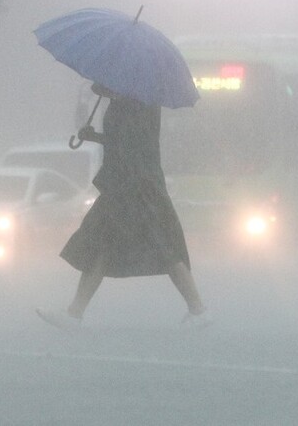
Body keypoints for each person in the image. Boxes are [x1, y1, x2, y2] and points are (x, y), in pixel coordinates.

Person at [37, 82, 208, 330]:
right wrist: (94, 136)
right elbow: (124, 142)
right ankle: (74, 313)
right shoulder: (132, 101)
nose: (98, 85)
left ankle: (198, 308)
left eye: (104, 81)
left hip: (134, 186)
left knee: (157, 245)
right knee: (107, 246)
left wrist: (98, 137)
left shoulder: (137, 103)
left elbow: (130, 144)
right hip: (129, 184)